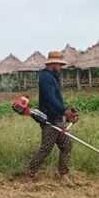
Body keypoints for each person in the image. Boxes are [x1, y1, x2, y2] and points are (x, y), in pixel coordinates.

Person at [26, 50, 78, 182]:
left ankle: (63, 174)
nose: (61, 67)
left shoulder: (53, 77)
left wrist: (66, 114)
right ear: (52, 64)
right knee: (46, 148)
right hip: (49, 120)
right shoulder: (45, 78)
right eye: (59, 65)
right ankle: (30, 174)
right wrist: (64, 111)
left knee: (66, 145)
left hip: (57, 119)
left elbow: (57, 100)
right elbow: (50, 99)